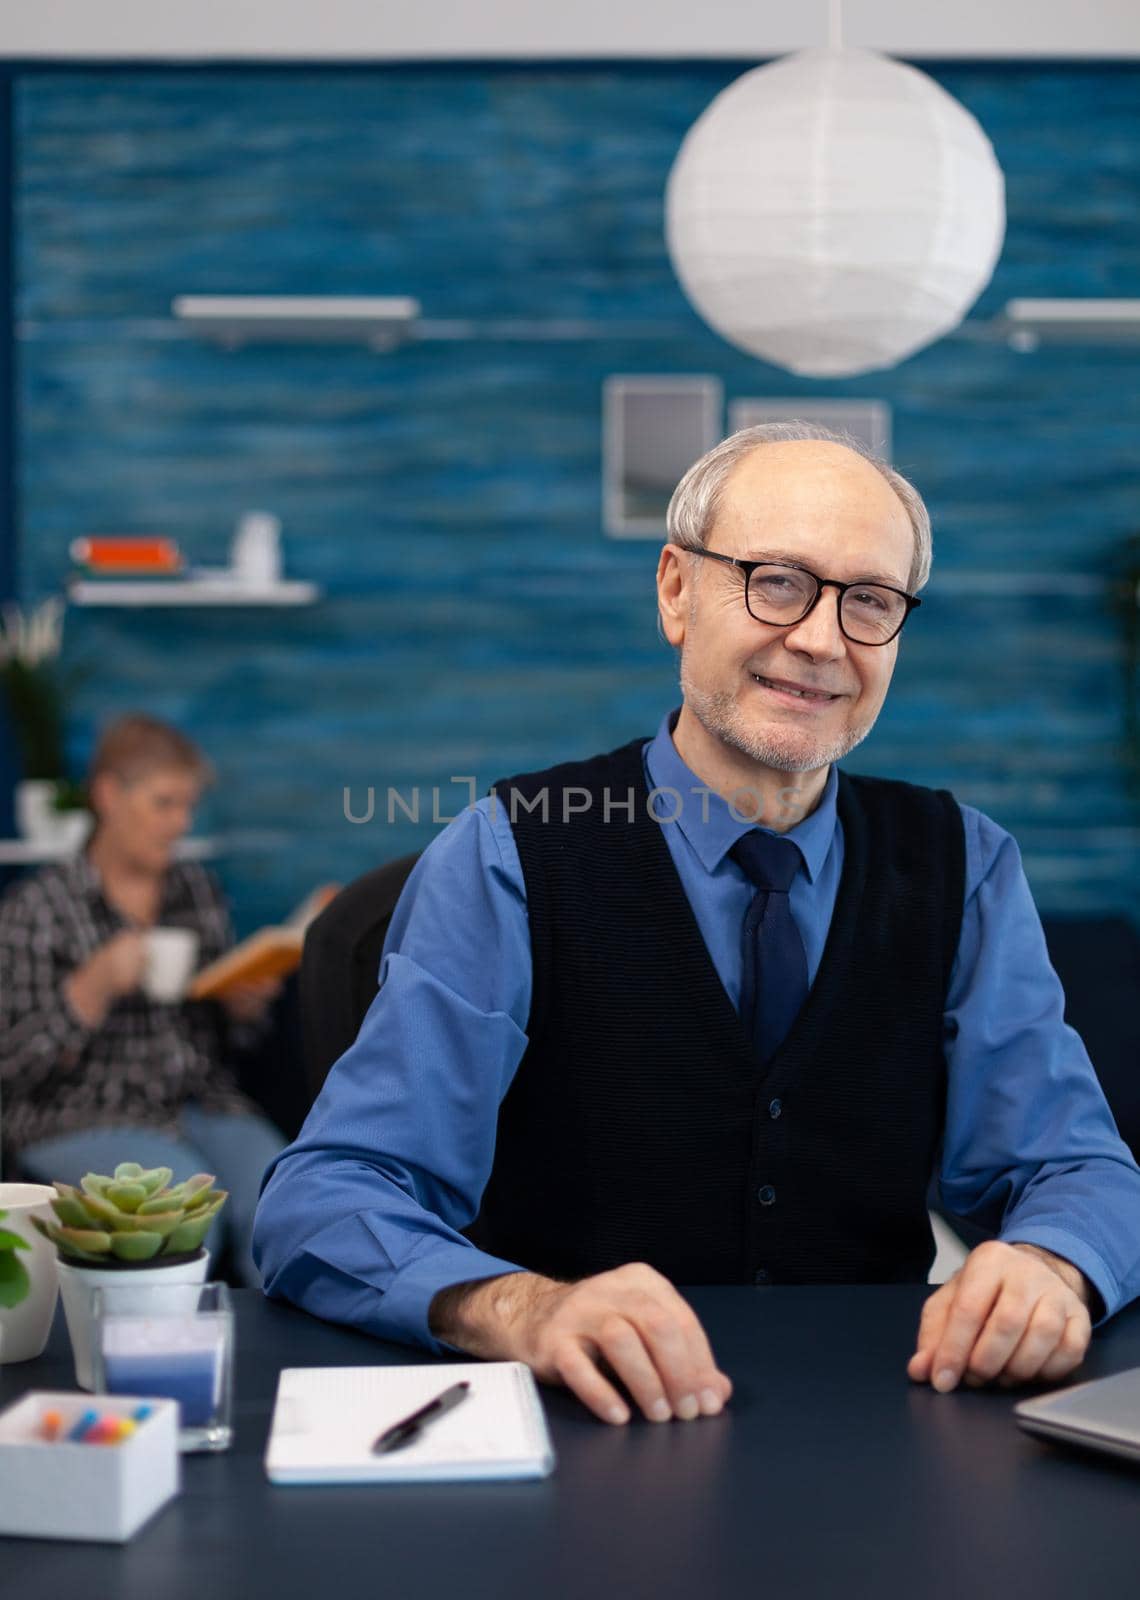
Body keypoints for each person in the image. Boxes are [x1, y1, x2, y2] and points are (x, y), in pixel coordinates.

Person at [253, 423, 1140, 1425]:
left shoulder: (967, 863)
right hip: (585, 1434)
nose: (820, 638)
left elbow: (1078, 1164)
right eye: (775, 580)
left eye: (870, 602)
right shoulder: (507, 853)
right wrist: (520, 1308)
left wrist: (1053, 1264)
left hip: (882, 1429)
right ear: (676, 590)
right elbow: (323, 1199)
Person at [0, 713, 286, 1283]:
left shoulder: (196, 892)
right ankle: (169, 1360)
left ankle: (291, 1363)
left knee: (286, 1205)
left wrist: (243, 1008)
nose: (180, 823)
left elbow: (231, 1045)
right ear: (109, 795)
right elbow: (10, 1069)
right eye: (164, 804)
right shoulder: (37, 910)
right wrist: (89, 990)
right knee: (182, 1219)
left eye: (187, 806)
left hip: (200, 1103)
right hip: (78, 1114)